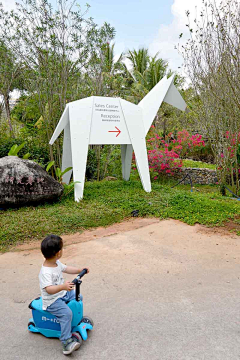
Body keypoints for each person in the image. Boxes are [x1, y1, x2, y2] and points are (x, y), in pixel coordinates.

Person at [39, 234, 89, 355]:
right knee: (66, 314)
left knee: (78, 297)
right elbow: (49, 289)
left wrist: (79, 270)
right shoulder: (45, 272)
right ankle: (66, 342)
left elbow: (66, 268)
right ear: (58, 253)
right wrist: (63, 286)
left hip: (62, 294)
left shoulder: (56, 263)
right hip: (52, 301)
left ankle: (77, 319)